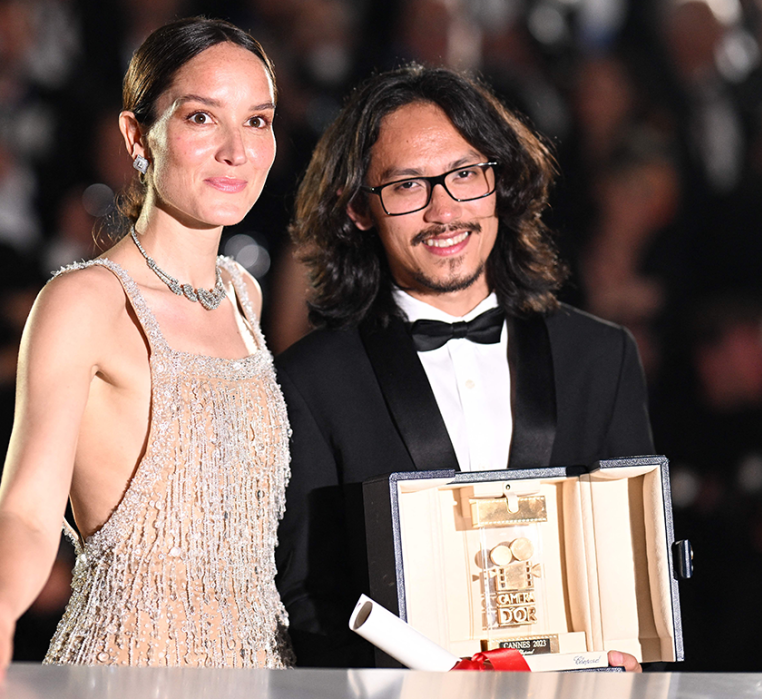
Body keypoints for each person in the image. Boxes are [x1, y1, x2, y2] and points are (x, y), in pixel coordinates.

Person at [0, 17, 291, 698]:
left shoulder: (245, 296)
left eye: (257, 121)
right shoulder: (85, 300)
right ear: (138, 138)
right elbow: (25, 509)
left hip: (259, 674)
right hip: (126, 674)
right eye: (201, 117)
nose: (235, 150)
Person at [274, 64, 652, 670]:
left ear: (500, 183)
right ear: (359, 210)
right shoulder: (311, 382)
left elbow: (636, 567)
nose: (443, 211)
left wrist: (629, 656)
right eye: (406, 187)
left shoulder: (600, 357)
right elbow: (307, 598)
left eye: (465, 174)